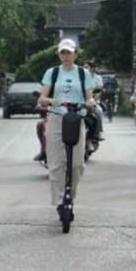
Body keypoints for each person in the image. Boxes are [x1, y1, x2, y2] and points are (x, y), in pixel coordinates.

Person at [36, 38, 99, 212]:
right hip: (57, 117)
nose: (66, 56)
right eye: (63, 53)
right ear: (59, 54)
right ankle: (59, 199)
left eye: (69, 53)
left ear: (75, 54)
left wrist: (90, 102)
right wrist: (52, 101)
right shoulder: (53, 73)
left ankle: (71, 195)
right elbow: (41, 99)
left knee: (77, 164)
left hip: (76, 118)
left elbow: (89, 97)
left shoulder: (83, 74)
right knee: (56, 163)